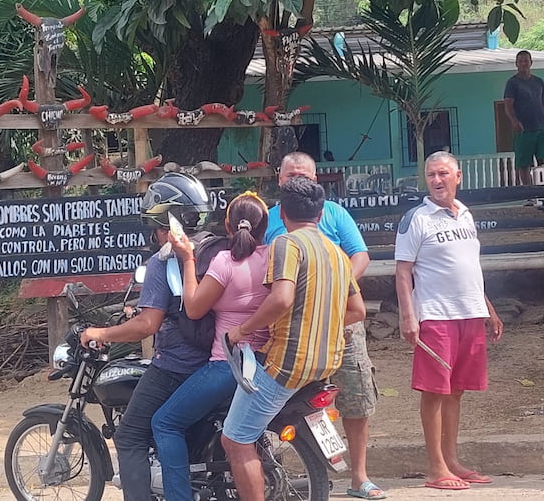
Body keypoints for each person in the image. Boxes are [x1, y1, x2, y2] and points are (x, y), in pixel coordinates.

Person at [222, 176, 366, 501]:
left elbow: (281, 299)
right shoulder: (336, 253)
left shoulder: (288, 243)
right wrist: (322, 320)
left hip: (288, 365)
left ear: (282, 213)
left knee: (235, 439)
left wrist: (241, 331)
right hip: (325, 365)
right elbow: (356, 310)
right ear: (320, 213)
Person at [79, 172, 213, 501]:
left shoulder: (162, 262)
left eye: (157, 226)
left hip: (177, 367)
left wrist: (102, 332)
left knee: (128, 436)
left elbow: (147, 325)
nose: (155, 235)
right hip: (216, 364)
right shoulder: (215, 249)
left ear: (168, 224)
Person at [265, 152, 385, 500]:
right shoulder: (272, 219)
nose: (297, 181)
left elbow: (359, 255)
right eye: (290, 176)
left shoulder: (334, 214)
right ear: (279, 179)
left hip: (343, 322)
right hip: (290, 328)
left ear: (316, 181)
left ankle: (360, 476)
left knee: (356, 396)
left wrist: (334, 287)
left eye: (303, 175)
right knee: (283, 400)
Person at [394, 151, 504, 491]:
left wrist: (489, 308)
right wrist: (408, 316)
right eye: (431, 175)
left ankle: (453, 459)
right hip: (435, 316)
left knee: (457, 391)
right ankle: (436, 468)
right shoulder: (417, 218)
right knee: (434, 391)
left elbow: (469, 268)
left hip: (470, 314)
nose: (437, 180)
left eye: (443, 174)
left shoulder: (466, 215)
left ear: (458, 176)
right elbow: (403, 271)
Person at [151, 191, 271, 501]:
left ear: (228, 227)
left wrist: (188, 258)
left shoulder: (225, 262)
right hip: (263, 363)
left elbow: (192, 308)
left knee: (164, 423)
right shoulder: (273, 259)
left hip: (226, 366)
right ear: (264, 228)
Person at [503, 49, 544, 186]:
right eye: (520, 61)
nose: (523, 63)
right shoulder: (512, 83)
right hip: (523, 130)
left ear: (531, 62)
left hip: (541, 127)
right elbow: (508, 105)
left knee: (543, 160)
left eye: (526, 60)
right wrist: (514, 121)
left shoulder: (538, 82)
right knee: (524, 164)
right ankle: (529, 194)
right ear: (516, 64)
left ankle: (542, 190)